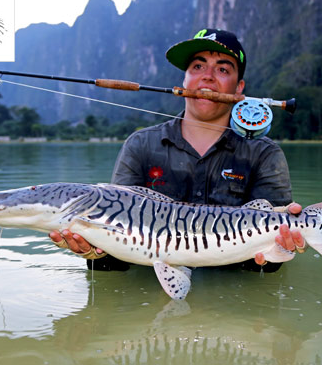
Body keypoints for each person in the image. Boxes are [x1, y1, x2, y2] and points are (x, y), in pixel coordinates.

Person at [50, 28, 304, 271]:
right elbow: (116, 259)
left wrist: (278, 251)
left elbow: (268, 266)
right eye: (197, 66)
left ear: (239, 89)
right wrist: (96, 253)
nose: (207, 76)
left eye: (223, 69)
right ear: (184, 80)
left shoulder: (264, 153)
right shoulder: (140, 145)